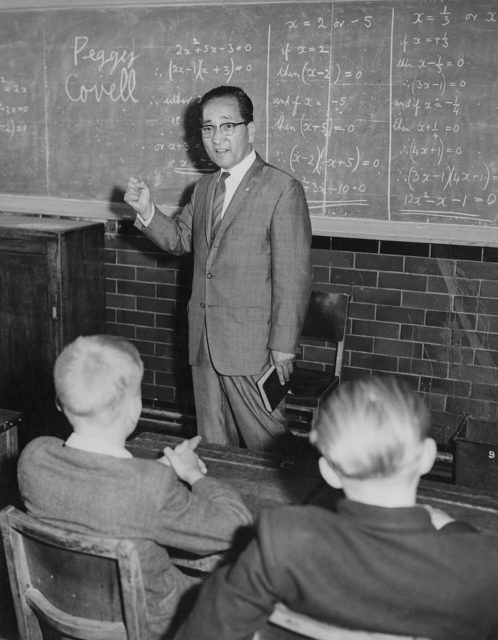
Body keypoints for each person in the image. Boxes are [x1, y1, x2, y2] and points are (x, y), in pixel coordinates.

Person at [174, 375, 498, 640]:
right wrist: (458, 532)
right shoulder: (481, 566)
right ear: (428, 456)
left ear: (329, 471)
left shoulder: (282, 540)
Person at [17, 334, 252, 640]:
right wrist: (194, 474)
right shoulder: (149, 489)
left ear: (61, 404)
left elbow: (94, 488)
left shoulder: (34, 458)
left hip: (67, 611)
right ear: (133, 410)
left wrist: (154, 470)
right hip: (155, 624)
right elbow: (237, 526)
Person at [124, 85, 312, 450]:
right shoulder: (205, 188)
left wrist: (284, 347)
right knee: (212, 448)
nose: (217, 138)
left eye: (228, 126)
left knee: (268, 450)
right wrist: (147, 211)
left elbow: (294, 275)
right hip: (204, 342)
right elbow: (179, 239)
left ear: (250, 131)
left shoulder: (282, 189)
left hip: (254, 348)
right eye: (208, 128)